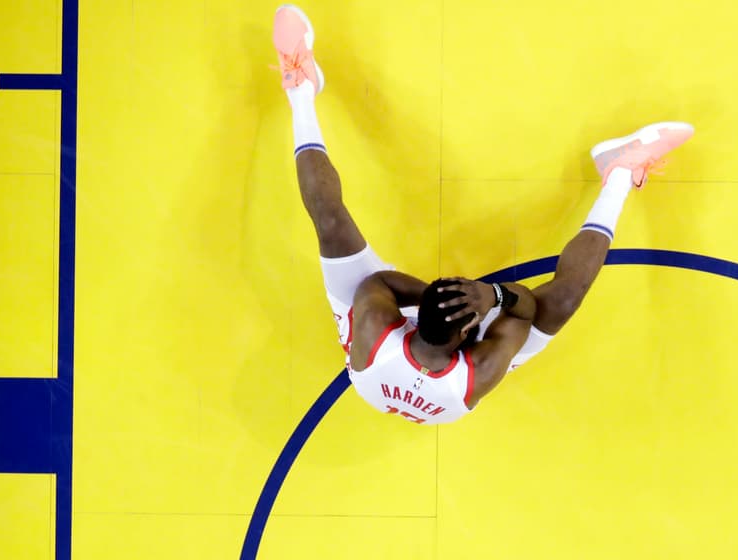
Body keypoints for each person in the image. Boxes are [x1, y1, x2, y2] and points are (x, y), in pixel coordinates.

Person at [272, 4, 693, 425]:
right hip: (445, 359)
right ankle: (619, 170)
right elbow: (523, 313)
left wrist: (441, 299)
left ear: (413, 323)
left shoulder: (373, 326)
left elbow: (376, 282)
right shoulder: (476, 373)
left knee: (328, 220)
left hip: (379, 355)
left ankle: (300, 87)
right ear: (466, 335)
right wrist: (490, 297)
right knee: (564, 298)